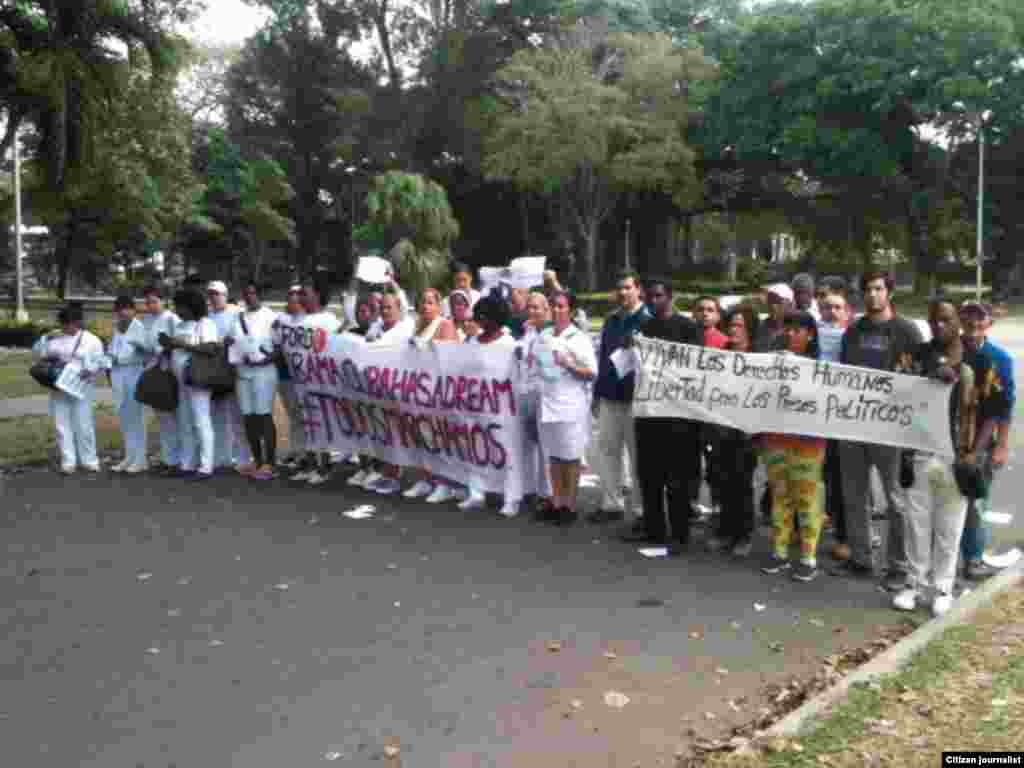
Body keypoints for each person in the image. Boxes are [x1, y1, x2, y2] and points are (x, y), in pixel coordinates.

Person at [835, 270, 923, 588]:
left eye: (878, 289)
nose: (873, 295)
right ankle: (861, 558)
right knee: (855, 496)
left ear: (889, 292)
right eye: (867, 289)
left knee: (896, 500)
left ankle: (897, 566)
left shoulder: (907, 331)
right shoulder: (853, 332)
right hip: (855, 424)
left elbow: (920, 376)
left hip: (891, 428)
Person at [892, 299, 973, 615]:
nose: (939, 325)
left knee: (949, 528)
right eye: (933, 320)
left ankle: (943, 587)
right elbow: (898, 389)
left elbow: (985, 407)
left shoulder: (974, 356)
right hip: (921, 451)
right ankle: (914, 583)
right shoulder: (919, 354)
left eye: (945, 319)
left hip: (956, 455)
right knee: (917, 524)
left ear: (957, 322)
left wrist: (974, 453)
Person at [621, 280, 701, 553]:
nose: (653, 301)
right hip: (649, 415)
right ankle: (654, 531)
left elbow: (697, 368)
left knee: (677, 480)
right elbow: (628, 364)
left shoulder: (688, 328)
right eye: (650, 296)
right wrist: (630, 346)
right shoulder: (643, 328)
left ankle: (680, 535)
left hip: (677, 417)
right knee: (650, 476)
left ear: (670, 297)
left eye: (658, 296)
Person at [760, 311, 826, 582]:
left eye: (798, 330)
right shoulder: (770, 363)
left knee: (807, 498)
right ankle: (779, 552)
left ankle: (808, 557)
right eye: (788, 329)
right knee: (780, 495)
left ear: (811, 334)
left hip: (808, 442)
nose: (791, 334)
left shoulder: (824, 368)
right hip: (776, 438)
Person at [959, 301, 1016, 580]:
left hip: (982, 437)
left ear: (988, 325)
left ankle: (972, 558)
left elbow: (1005, 406)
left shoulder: (1000, 359)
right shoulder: (951, 350)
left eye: (979, 323)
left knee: (975, 502)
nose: (973, 328)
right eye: (968, 322)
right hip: (949, 437)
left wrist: (1002, 445)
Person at [590, 271, 650, 524]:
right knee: (607, 451)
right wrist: (596, 394)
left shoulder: (648, 319)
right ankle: (611, 503)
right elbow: (603, 358)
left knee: (638, 456)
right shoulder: (611, 319)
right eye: (620, 288)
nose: (623, 293)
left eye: (628, 288)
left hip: (636, 398)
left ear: (638, 290)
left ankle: (639, 509)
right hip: (609, 395)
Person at [537, 290, 597, 525]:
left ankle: (569, 506)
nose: (557, 310)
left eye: (562, 306)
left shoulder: (578, 338)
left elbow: (591, 373)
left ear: (571, 311)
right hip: (549, 400)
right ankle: (557, 501)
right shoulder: (544, 335)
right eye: (554, 306)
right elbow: (542, 365)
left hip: (571, 404)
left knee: (570, 456)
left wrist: (569, 364)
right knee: (553, 455)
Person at [704, 304, 759, 557]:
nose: (734, 329)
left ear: (749, 329)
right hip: (723, 427)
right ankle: (725, 529)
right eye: (732, 325)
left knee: (742, 482)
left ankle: (744, 534)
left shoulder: (759, 357)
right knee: (722, 479)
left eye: (739, 325)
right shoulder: (723, 353)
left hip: (746, 430)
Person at [460, 294, 518, 512]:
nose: (479, 321)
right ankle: (477, 493)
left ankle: (509, 497)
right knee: (475, 450)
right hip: (474, 405)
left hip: (501, 409)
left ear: (496, 318)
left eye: (484, 317)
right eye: (478, 316)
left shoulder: (510, 344)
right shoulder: (472, 342)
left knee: (504, 452)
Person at [399, 289, 459, 500]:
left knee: (439, 439)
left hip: (437, 392)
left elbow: (451, 357)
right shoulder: (417, 327)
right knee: (420, 438)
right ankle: (424, 479)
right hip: (417, 390)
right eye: (423, 303)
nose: (426, 307)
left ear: (438, 306)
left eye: (430, 303)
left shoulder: (445, 325)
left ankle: (444, 483)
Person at [33, 303, 105, 474]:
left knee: (83, 424)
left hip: (81, 387)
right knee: (62, 425)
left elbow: (102, 361)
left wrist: (92, 370)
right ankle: (68, 461)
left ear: (78, 322)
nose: (66, 327)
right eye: (64, 324)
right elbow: (38, 353)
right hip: (59, 386)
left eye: (70, 324)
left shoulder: (91, 340)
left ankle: (89, 460)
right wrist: (46, 340)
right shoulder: (54, 337)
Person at [159, 289, 219, 480]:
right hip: (181, 380)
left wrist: (181, 345)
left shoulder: (205, 324)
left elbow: (211, 348)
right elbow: (176, 349)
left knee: (201, 421)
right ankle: (187, 463)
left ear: (190, 307)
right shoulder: (180, 325)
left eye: (179, 306)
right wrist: (168, 345)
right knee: (184, 421)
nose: (177, 310)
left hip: (198, 379)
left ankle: (206, 466)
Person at [362, 290, 414, 495]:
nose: (385, 311)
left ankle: (394, 475)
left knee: (396, 434)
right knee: (381, 432)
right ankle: (386, 472)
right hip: (375, 389)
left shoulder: (406, 329)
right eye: (382, 307)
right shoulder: (375, 328)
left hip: (398, 390)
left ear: (399, 309)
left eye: (389, 307)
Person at [227, 280, 280, 481]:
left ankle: (271, 462)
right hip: (243, 372)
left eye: (253, 293)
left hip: (263, 372)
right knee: (248, 418)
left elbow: (279, 347)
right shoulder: (238, 317)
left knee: (263, 416)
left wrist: (265, 359)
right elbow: (232, 342)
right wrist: (229, 344)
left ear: (260, 295)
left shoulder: (270, 317)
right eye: (246, 293)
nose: (249, 297)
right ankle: (257, 460)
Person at [291, 279, 341, 486]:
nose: (302, 297)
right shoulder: (297, 320)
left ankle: (325, 466)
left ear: (318, 296)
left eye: (306, 293)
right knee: (306, 422)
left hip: (321, 381)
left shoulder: (329, 320)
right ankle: (310, 463)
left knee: (321, 422)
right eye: (301, 294)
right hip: (301, 380)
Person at [817, 286, 852, 561]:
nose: (832, 311)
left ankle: (844, 535)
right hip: (814, 413)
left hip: (842, 414)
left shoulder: (852, 336)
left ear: (846, 311)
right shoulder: (811, 334)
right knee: (817, 472)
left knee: (841, 476)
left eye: (838, 307)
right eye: (828, 306)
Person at [516, 292, 554, 520]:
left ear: (546, 310)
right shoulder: (527, 333)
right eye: (529, 307)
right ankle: (532, 491)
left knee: (546, 448)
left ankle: (548, 494)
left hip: (545, 396)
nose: (532, 311)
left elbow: (551, 369)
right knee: (529, 445)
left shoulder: (550, 335)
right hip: (526, 394)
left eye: (537, 308)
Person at [206, 281, 249, 472]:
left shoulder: (235, 314)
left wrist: (223, 344)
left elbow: (239, 339)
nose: (214, 298)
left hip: (232, 370)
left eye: (217, 294)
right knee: (216, 416)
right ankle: (221, 457)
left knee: (236, 416)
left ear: (225, 295)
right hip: (213, 372)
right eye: (211, 294)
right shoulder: (207, 317)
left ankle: (242, 458)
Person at [140, 286, 181, 473]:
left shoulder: (172, 319)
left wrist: (162, 351)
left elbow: (176, 344)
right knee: (162, 418)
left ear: (164, 301)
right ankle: (167, 457)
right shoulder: (146, 319)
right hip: (151, 371)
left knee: (173, 417)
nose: (150, 305)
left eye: (154, 301)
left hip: (168, 371)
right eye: (147, 302)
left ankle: (177, 459)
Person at [107, 295, 150, 473]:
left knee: (136, 417)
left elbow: (146, 351)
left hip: (134, 372)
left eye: (126, 308)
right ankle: (129, 457)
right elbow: (111, 350)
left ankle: (140, 459)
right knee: (124, 416)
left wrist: (139, 349)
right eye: (119, 309)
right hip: (118, 374)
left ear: (133, 310)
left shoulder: (139, 327)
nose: (122, 312)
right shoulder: (116, 328)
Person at [272, 285, 306, 468]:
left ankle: (303, 453)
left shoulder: (307, 321)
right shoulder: (281, 320)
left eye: (296, 296)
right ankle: (295, 451)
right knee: (293, 416)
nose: (292, 300)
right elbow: (276, 343)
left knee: (302, 416)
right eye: (290, 296)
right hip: (284, 374)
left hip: (301, 376)